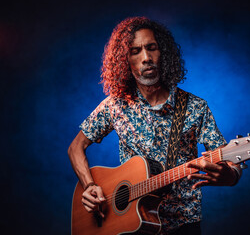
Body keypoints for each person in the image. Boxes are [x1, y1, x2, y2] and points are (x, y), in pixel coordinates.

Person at [68, 17, 241, 235]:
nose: (146, 58)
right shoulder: (114, 105)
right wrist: (90, 186)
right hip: (130, 227)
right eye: (135, 51)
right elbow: (75, 148)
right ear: (125, 60)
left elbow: (229, 159)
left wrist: (232, 176)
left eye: (152, 48)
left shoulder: (195, 107)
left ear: (164, 54)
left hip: (182, 225)